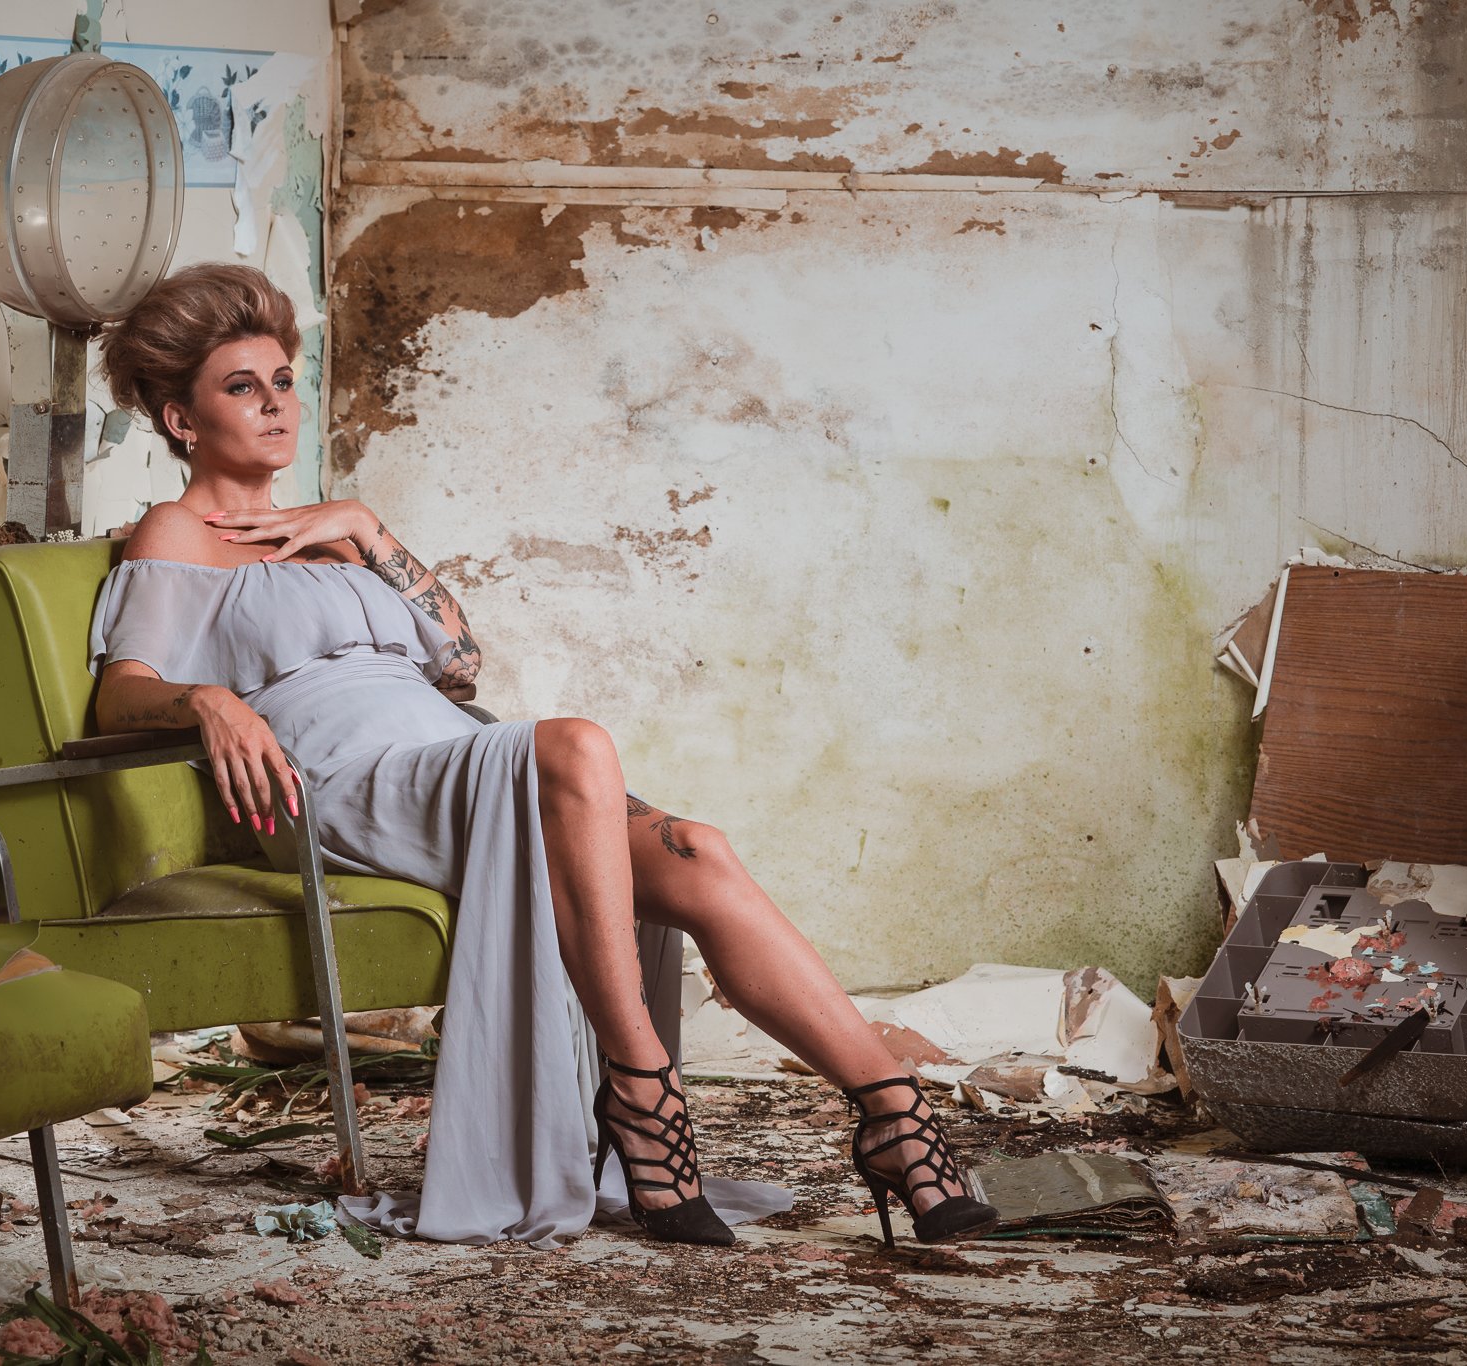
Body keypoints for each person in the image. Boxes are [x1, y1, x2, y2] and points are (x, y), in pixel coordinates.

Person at [89, 262, 998, 1249]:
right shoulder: (181, 529)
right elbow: (119, 690)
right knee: (574, 743)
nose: (274, 405)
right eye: (240, 387)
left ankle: (890, 1113)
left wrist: (361, 524)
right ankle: (642, 1092)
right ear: (182, 420)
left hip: (445, 753)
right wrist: (208, 698)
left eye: (282, 381)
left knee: (697, 847)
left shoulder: (332, 534)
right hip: (344, 782)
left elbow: (459, 660)